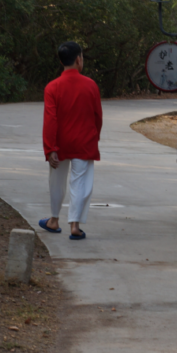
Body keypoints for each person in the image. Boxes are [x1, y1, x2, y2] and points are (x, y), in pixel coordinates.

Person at [40, 42, 102, 240]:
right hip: (84, 143)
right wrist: (94, 137)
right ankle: (75, 226)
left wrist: (50, 148)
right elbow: (97, 117)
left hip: (59, 144)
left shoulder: (52, 87)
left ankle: (54, 220)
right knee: (81, 183)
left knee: (56, 182)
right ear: (78, 60)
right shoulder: (91, 85)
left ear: (61, 61)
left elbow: (51, 119)